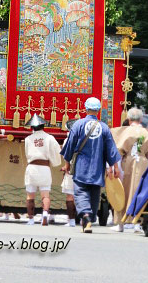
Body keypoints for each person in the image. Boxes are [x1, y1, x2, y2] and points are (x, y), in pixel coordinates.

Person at [61, 97, 121, 233]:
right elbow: (111, 149)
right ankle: (90, 218)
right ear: (98, 110)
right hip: (97, 167)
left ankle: (86, 216)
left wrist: (67, 164)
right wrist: (115, 167)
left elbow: (69, 146)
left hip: (82, 166)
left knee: (80, 191)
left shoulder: (78, 125)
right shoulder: (104, 128)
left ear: (86, 109)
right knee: (94, 193)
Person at [110, 107, 148, 233]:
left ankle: (120, 224)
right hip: (142, 162)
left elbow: (118, 150)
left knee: (122, 190)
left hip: (127, 162)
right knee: (139, 190)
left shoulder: (125, 131)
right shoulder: (146, 132)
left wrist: (115, 167)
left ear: (128, 119)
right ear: (141, 119)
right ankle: (137, 223)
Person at [24, 113, 61, 226]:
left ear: (32, 127)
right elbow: (57, 151)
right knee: (45, 195)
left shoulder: (28, 139)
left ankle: (30, 219)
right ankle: (45, 214)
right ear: (43, 126)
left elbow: (27, 154)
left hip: (32, 168)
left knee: (30, 195)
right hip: (44, 168)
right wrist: (55, 162)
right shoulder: (49, 138)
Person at [61, 119, 77, 227]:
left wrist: (66, 165)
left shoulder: (68, 140)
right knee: (82, 196)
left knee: (70, 196)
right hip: (84, 170)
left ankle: (71, 220)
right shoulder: (87, 139)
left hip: (71, 169)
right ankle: (83, 219)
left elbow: (65, 155)